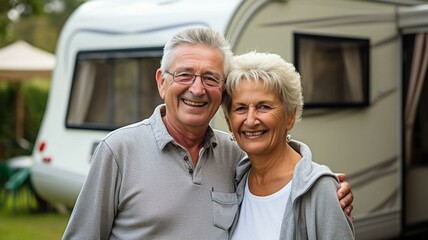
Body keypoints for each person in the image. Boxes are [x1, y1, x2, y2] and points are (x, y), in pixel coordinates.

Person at [62, 27, 353, 240]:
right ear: (162, 82)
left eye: (210, 78)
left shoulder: (234, 156)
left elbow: (287, 172)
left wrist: (324, 190)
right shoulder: (118, 151)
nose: (197, 89)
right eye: (185, 74)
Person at [221, 51, 355, 239]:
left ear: (290, 116)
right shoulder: (232, 181)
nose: (250, 120)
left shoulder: (320, 190)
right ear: (229, 121)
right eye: (240, 108)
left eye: (264, 107)